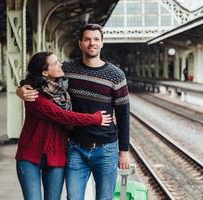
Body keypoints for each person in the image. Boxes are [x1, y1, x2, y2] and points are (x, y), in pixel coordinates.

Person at [17, 23, 130, 200]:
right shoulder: (67, 70)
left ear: (102, 43)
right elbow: (38, 78)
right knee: (73, 197)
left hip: (106, 149)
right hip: (76, 147)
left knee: (105, 198)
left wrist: (124, 151)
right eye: (87, 39)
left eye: (96, 39)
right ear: (80, 43)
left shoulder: (116, 75)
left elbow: (123, 115)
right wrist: (21, 88)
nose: (92, 43)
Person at [15, 51, 112, 200]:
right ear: (44, 72)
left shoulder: (64, 87)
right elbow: (63, 116)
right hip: (30, 155)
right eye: (55, 63)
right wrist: (94, 119)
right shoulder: (34, 94)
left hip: (56, 153)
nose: (60, 64)